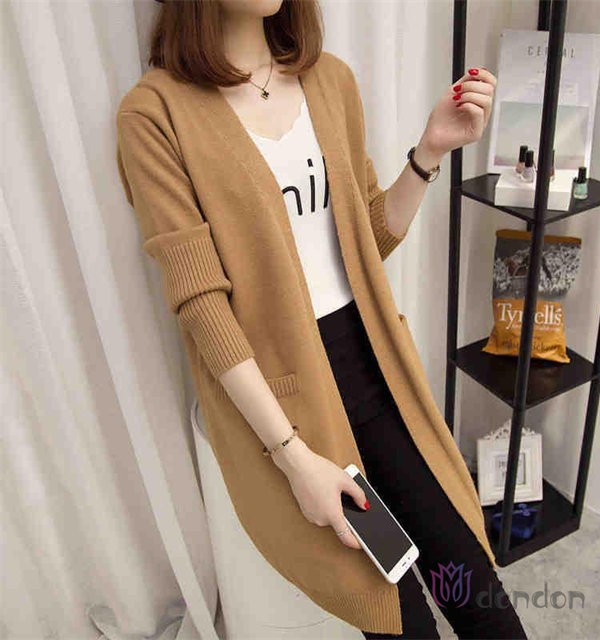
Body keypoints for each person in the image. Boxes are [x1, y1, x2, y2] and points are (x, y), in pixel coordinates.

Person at [117, 1, 527, 637]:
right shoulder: (155, 114)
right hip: (295, 412)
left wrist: (429, 151)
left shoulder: (329, 80)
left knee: (476, 592)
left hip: (380, 378)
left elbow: (367, 240)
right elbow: (202, 305)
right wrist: (294, 458)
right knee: (398, 617)